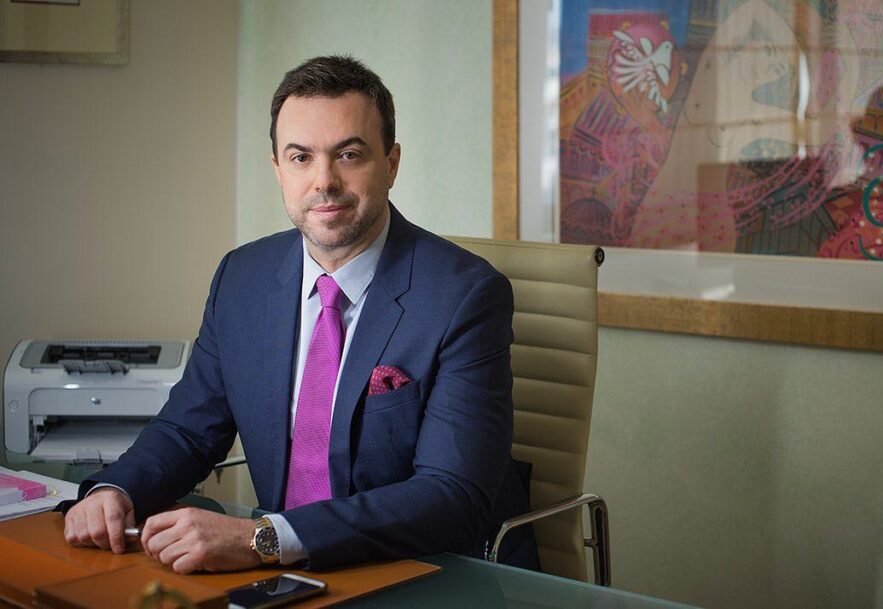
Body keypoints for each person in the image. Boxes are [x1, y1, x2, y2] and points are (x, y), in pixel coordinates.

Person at [62, 55, 537, 574]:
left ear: (392, 163)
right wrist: (117, 491)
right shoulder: (242, 278)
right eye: (300, 157)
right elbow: (189, 430)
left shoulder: (465, 296)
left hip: (428, 572)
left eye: (349, 154)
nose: (323, 181)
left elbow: (453, 495)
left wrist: (263, 539)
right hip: (282, 575)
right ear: (278, 170)